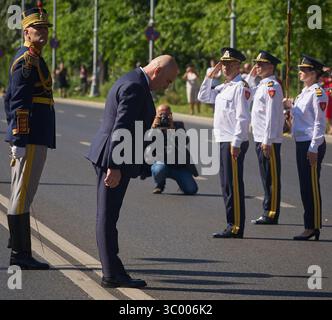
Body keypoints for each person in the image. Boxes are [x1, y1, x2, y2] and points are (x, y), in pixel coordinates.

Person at [86, 55, 178, 288]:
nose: (167, 87)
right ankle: (111, 273)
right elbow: (122, 127)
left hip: (114, 157)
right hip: (114, 159)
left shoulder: (132, 79)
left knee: (109, 215)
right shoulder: (135, 86)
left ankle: (114, 268)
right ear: (157, 71)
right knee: (107, 215)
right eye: (167, 81)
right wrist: (114, 166)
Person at [4, 4, 55, 269]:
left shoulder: (34, 57)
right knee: (21, 196)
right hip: (30, 136)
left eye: (46, 28)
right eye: (38, 28)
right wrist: (19, 140)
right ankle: (20, 255)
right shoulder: (26, 61)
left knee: (23, 194)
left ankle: (20, 249)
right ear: (26, 31)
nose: (43, 32)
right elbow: (18, 104)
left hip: (36, 135)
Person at [198, 47, 251, 239]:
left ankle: (235, 226)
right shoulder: (224, 87)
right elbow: (203, 97)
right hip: (223, 140)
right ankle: (231, 223)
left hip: (232, 141)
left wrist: (236, 143)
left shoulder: (240, 87)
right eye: (224, 64)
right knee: (226, 184)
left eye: (230, 64)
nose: (226, 68)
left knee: (233, 185)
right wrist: (211, 76)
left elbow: (243, 118)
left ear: (238, 66)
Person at [284, 55, 328, 241]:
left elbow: (319, 123)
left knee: (311, 186)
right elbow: (303, 116)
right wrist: (290, 107)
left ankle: (313, 226)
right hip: (301, 142)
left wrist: (313, 148)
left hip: (311, 143)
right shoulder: (304, 92)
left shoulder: (319, 92)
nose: (300, 72)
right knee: (304, 186)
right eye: (300, 69)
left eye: (304, 70)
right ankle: (309, 226)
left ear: (314, 73)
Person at [246, 51, 284, 225]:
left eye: (261, 64)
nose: (257, 67)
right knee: (265, 176)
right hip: (260, 137)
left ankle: (271, 212)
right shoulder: (262, 84)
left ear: (271, 66)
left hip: (268, 139)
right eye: (256, 64)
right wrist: (252, 76)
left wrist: (267, 140)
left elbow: (271, 115)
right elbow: (247, 93)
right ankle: (267, 210)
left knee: (271, 178)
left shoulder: (272, 86)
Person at [147, 104, 198, 195]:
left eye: (166, 114)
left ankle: (182, 183)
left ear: (171, 114)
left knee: (192, 190)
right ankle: (160, 184)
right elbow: (146, 141)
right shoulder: (153, 126)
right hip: (162, 163)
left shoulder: (178, 125)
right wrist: (153, 127)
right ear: (156, 115)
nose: (164, 117)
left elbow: (185, 141)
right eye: (161, 115)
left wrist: (172, 128)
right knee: (159, 169)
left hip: (179, 166)